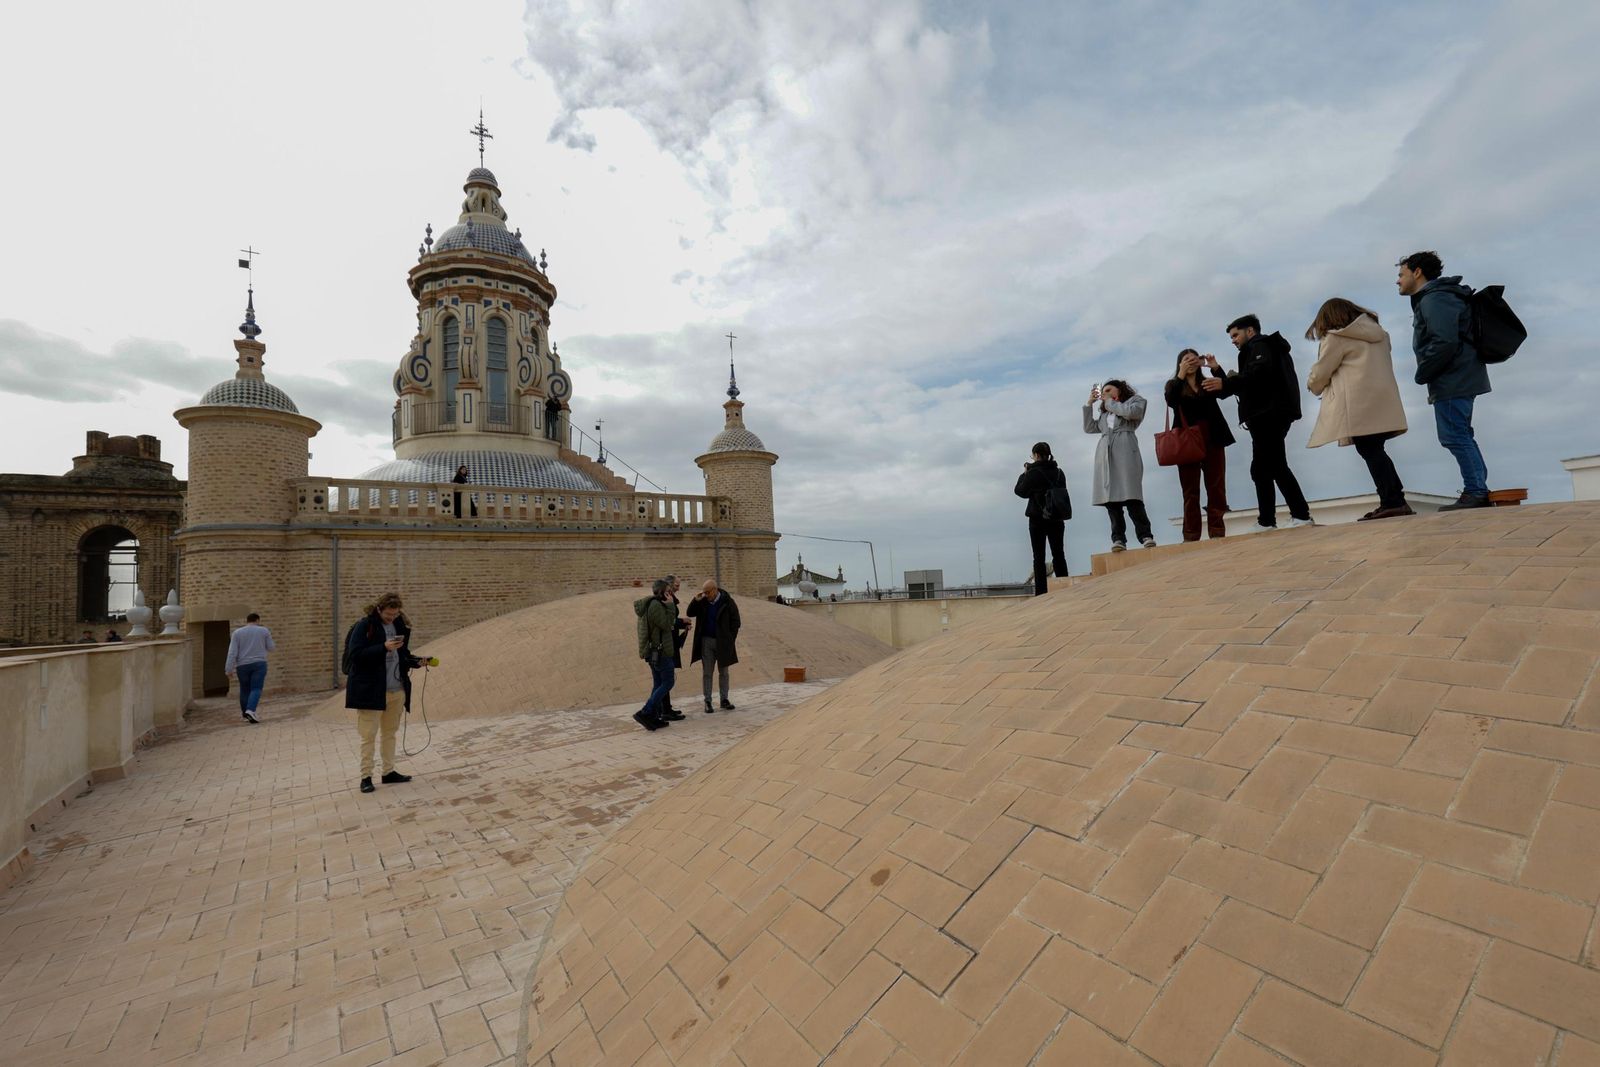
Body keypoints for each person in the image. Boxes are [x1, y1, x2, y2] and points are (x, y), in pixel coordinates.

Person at [1396, 251, 1492, 510]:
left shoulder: (1435, 299)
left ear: (1417, 272)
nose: (1398, 280)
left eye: (1401, 274)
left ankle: (1476, 491)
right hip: (1459, 375)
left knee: (1453, 435)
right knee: (1460, 434)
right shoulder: (1438, 297)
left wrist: (1423, 371)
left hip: (1453, 378)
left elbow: (1444, 341)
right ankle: (1478, 489)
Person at [1203, 315, 1313, 531]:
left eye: (1235, 335)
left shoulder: (1261, 345)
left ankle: (1297, 515)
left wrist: (1225, 381)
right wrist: (1217, 371)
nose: (1233, 340)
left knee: (1273, 466)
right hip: (1266, 416)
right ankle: (1270, 520)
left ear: (1250, 331)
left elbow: (1257, 375)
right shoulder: (1257, 349)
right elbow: (1243, 384)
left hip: (1268, 415)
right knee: (1263, 469)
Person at [1305, 299, 1412, 520]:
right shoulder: (1381, 334)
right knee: (1375, 449)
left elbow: (1321, 371)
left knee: (1370, 450)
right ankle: (1394, 500)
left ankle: (1392, 501)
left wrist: (1312, 385)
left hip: (1358, 402)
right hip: (1382, 399)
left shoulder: (1336, 337)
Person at [344, 593, 421, 792]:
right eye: (388, 614)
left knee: (390, 734)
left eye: (395, 614)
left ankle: (388, 772)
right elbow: (356, 655)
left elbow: (402, 654)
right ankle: (366, 777)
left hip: (396, 689)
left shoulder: (400, 625)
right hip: (371, 690)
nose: (391, 618)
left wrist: (417, 661)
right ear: (379, 609)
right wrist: (383, 647)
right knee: (368, 736)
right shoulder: (365, 626)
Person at [1164, 349, 1235, 541]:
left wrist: (1215, 368)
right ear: (1179, 364)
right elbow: (1171, 400)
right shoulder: (1174, 384)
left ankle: (1217, 531)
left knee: (1217, 487)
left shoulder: (1207, 382)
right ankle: (1191, 535)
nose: (1190, 362)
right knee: (1190, 490)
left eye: (1193, 359)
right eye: (1185, 359)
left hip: (1213, 437)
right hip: (1187, 441)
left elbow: (1226, 390)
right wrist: (1180, 375)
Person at [1083, 381, 1155, 551]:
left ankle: (1145, 535)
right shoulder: (1104, 414)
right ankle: (1118, 539)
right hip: (1105, 454)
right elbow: (1089, 427)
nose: (1105, 393)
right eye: (1103, 391)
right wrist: (1089, 404)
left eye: (1109, 389)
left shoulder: (1135, 401)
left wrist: (1109, 402)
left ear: (1119, 389)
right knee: (1111, 500)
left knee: (1132, 495)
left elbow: (1132, 413)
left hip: (1125, 449)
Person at [1013, 441, 1069, 595]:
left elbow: (1020, 491)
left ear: (1036, 455)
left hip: (1037, 519)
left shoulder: (1032, 473)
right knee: (1059, 554)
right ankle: (1064, 585)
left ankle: (1041, 592)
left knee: (1038, 557)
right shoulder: (1059, 472)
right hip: (1057, 518)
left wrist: (1025, 473)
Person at [687, 579, 742, 712]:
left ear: (715, 590)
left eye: (707, 592)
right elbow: (690, 613)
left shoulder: (727, 601)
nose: (705, 595)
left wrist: (730, 639)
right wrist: (696, 600)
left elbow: (736, 621)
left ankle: (724, 699)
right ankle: (708, 701)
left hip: (723, 642)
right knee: (707, 672)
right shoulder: (702, 601)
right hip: (707, 641)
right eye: (704, 592)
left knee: (723, 672)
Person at [633, 579, 678, 731]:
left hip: (655, 651)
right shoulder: (655, 606)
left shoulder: (653, 604)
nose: (670, 594)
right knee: (668, 682)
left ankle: (653, 716)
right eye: (668, 592)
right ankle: (646, 712)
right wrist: (671, 605)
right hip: (660, 651)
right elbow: (667, 624)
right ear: (662, 592)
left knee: (659, 684)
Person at [225, 612, 276, 723]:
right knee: (256, 688)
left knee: (244, 690)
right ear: (257, 620)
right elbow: (271, 648)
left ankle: (245, 715)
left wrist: (228, 669)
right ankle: (250, 710)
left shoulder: (237, 633)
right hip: (259, 664)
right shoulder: (263, 630)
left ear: (247, 621)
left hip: (242, 666)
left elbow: (232, 652)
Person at [663, 575, 690, 717]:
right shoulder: (666, 600)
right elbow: (669, 621)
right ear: (669, 586)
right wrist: (682, 622)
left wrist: (682, 622)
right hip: (667, 644)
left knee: (664, 678)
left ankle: (665, 708)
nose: (678, 588)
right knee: (665, 679)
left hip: (670, 641)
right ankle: (662, 709)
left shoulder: (669, 599)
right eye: (676, 585)